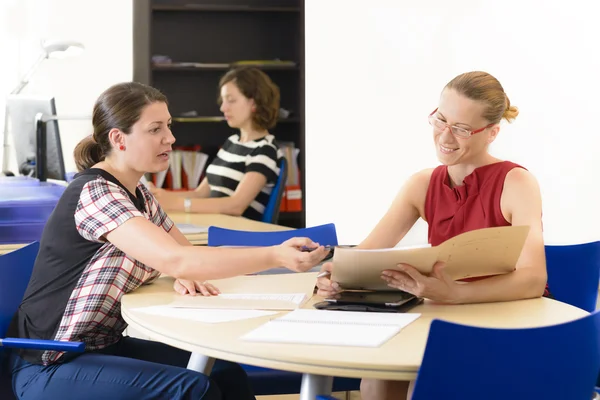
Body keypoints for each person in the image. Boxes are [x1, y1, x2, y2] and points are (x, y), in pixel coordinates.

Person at [7, 81, 329, 400]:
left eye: (169, 126)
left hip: (100, 347)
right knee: (193, 390)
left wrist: (300, 274)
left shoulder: (139, 194)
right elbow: (176, 260)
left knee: (224, 373)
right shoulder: (95, 194)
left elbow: (187, 255)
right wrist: (274, 256)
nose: (170, 138)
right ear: (118, 138)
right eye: (155, 129)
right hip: (51, 362)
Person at [316, 71, 548, 400]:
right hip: (444, 317)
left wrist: (454, 294)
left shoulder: (516, 183)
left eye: (463, 128)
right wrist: (334, 275)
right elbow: (364, 256)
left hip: (504, 320)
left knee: (424, 383)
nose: (446, 136)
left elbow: (534, 279)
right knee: (376, 379)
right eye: (441, 120)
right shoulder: (422, 184)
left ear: (492, 132)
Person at [150, 67, 284, 221]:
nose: (223, 107)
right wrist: (161, 196)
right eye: (223, 100)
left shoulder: (265, 150)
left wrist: (178, 203)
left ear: (254, 102)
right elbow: (200, 194)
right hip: (215, 225)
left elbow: (236, 206)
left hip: (238, 234)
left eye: (231, 100)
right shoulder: (232, 142)